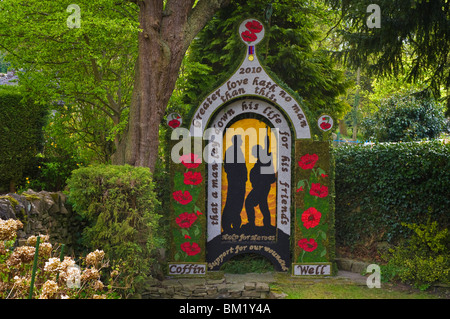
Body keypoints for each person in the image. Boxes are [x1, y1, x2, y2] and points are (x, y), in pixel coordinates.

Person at [244, 144, 276, 233]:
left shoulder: (264, 159)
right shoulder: (263, 159)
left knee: (249, 202)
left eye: (254, 151)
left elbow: (264, 174)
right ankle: (266, 225)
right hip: (261, 186)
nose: (252, 153)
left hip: (261, 186)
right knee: (263, 205)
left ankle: (253, 224)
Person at [221, 135, 247, 233]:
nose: (241, 142)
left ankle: (235, 224)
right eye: (240, 140)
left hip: (239, 181)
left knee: (238, 202)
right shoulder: (231, 151)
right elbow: (228, 167)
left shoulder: (237, 150)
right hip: (235, 182)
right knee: (233, 201)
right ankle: (228, 224)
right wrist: (238, 177)